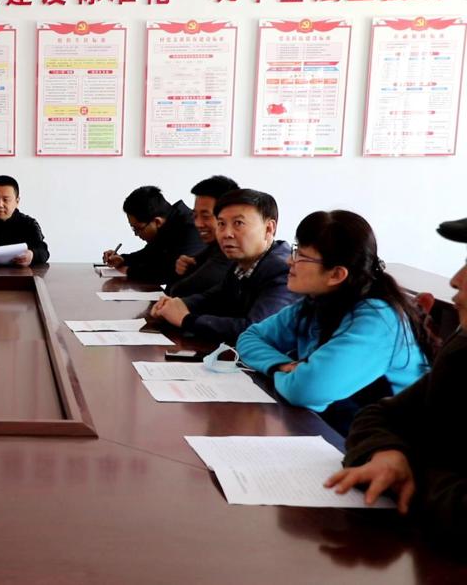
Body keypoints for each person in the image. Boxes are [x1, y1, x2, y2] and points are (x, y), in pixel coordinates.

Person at [324, 217, 466, 541]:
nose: (456, 280)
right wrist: (386, 453)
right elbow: (380, 414)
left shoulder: (376, 315)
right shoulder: (462, 350)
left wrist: (410, 468)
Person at [237, 211, 431, 434]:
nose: (289, 260)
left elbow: (305, 391)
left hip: (389, 442)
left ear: (336, 274)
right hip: (340, 428)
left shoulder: (378, 320)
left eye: (301, 256)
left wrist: (295, 375)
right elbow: (249, 337)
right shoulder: (317, 303)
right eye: (295, 249)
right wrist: (280, 365)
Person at [151, 189, 298, 344]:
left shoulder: (283, 270)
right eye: (221, 224)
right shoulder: (242, 263)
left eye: (238, 223)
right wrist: (178, 304)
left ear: (269, 228)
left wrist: (186, 319)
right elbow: (214, 298)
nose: (226, 233)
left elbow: (255, 330)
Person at [103, 186, 204, 285]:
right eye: (133, 228)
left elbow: (170, 271)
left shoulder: (190, 227)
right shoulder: (169, 221)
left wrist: (130, 271)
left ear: (157, 222)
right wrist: (123, 259)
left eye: (138, 229)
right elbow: (149, 254)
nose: (136, 234)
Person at [166, 175, 239, 297]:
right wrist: (183, 269)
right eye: (195, 216)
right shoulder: (214, 246)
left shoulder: (230, 252)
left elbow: (179, 291)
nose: (198, 224)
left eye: (205, 216)